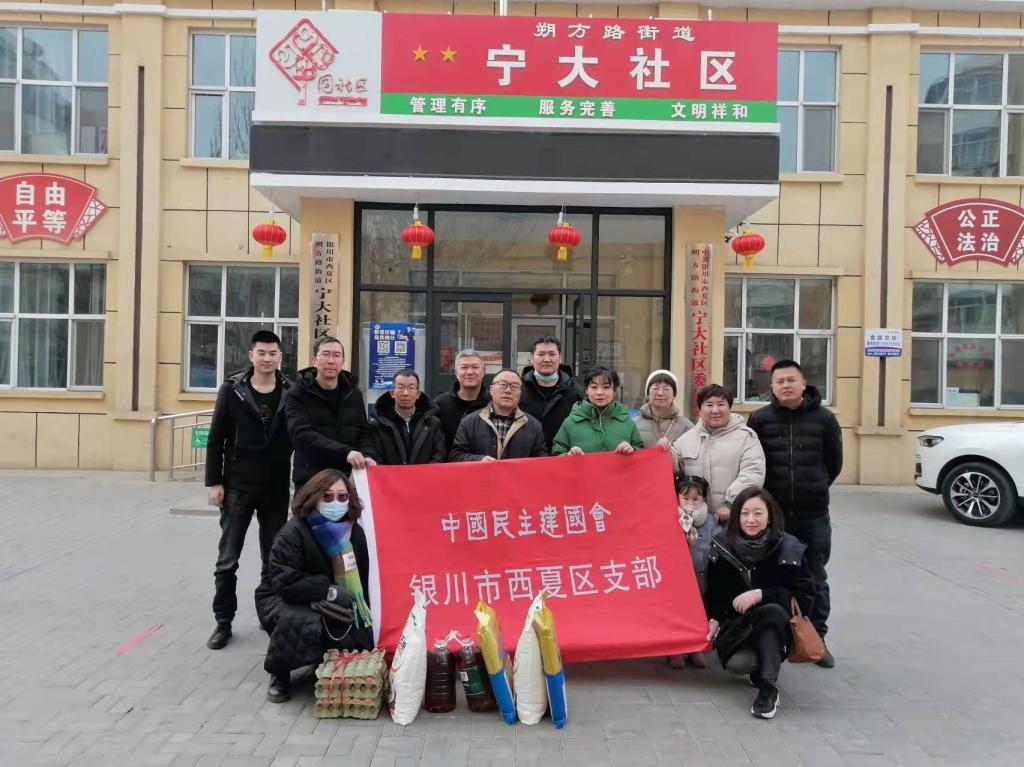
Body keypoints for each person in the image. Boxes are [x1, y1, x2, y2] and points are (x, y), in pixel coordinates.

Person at [746, 360, 842, 668]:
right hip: (773, 517)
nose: (785, 385)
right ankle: (772, 638)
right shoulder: (760, 419)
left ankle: (816, 641)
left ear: (803, 383)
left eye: (791, 380)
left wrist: (813, 488)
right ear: (772, 387)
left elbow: (834, 463)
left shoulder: (825, 419)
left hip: (812, 515)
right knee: (769, 576)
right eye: (779, 381)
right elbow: (754, 461)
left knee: (814, 576)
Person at [204, 330, 293, 651]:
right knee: (227, 560)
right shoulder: (232, 390)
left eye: (273, 353)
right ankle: (223, 621)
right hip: (238, 486)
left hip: (275, 488)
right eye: (262, 353)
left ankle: (269, 615)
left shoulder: (290, 391)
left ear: (280, 357)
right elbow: (216, 439)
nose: (267, 359)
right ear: (251, 355)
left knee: (273, 559)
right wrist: (215, 483)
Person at [255, 469, 375, 703]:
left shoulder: (354, 532)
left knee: (359, 631)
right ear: (313, 498)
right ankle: (280, 673)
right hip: (284, 596)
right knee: (300, 621)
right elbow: (283, 580)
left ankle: (322, 659)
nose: (335, 503)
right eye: (327, 497)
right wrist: (328, 591)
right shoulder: (294, 531)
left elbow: (364, 575)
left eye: (342, 497)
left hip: (335, 598)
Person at [705, 487, 815, 720]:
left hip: (779, 626)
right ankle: (764, 664)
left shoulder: (789, 547)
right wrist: (714, 618)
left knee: (772, 612)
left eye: (758, 513)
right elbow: (715, 593)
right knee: (738, 664)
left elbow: (805, 598)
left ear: (770, 516)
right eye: (744, 513)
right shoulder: (722, 545)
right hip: (739, 626)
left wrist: (762, 595)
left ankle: (767, 688)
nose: (751, 520)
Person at [285, 337, 377, 492]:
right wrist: (345, 452)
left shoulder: (353, 393)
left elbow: (363, 431)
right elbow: (301, 435)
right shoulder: (297, 393)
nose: (331, 360)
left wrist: (367, 455)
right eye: (325, 354)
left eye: (336, 355)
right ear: (314, 360)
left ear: (343, 361)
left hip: (348, 479)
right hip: (312, 478)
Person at [670, 384, 765, 525]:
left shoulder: (746, 437)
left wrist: (731, 504)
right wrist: (665, 449)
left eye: (721, 404)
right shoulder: (685, 440)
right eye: (709, 405)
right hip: (694, 523)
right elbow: (671, 470)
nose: (715, 410)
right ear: (700, 409)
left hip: (733, 519)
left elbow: (753, 473)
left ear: (729, 407)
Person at [449, 369, 547, 461]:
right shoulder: (469, 422)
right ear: (491, 390)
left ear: (520, 393)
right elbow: (456, 455)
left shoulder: (534, 426)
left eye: (514, 386)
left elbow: (542, 462)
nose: (508, 390)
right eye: (503, 384)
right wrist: (479, 460)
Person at [668, 475, 714, 670]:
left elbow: (717, 545)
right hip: (677, 578)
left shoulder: (710, 520)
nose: (691, 503)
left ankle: (696, 648)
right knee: (677, 613)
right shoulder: (671, 517)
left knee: (699, 613)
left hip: (701, 576)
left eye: (696, 498)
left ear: (704, 498)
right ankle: (676, 650)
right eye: (685, 498)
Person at [552, 366, 645, 456]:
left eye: (606, 387)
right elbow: (557, 453)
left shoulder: (627, 422)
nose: (599, 392)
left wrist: (632, 450)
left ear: (614, 391)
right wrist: (568, 456)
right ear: (586, 390)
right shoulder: (571, 422)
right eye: (594, 387)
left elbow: (641, 451)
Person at [519, 335, 584, 452]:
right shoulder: (519, 389)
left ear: (560, 357)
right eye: (541, 354)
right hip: (527, 456)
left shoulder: (576, 391)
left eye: (552, 354)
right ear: (531, 358)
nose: (547, 359)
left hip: (564, 455)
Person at [368, 369, 446, 465]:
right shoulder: (378, 424)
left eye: (411, 388)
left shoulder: (433, 423)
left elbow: (439, 454)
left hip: (425, 474)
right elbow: (375, 456)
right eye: (400, 387)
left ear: (418, 394)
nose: (405, 393)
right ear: (392, 393)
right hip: (389, 474)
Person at [434, 349, 490, 450]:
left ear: (483, 372)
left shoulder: (493, 403)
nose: (470, 372)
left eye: (475, 367)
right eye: (464, 367)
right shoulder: (440, 404)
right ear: (456, 372)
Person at [634, 369, 693, 449]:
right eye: (655, 388)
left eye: (666, 389)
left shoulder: (686, 426)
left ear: (674, 395)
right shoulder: (634, 424)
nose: (660, 393)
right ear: (648, 394)